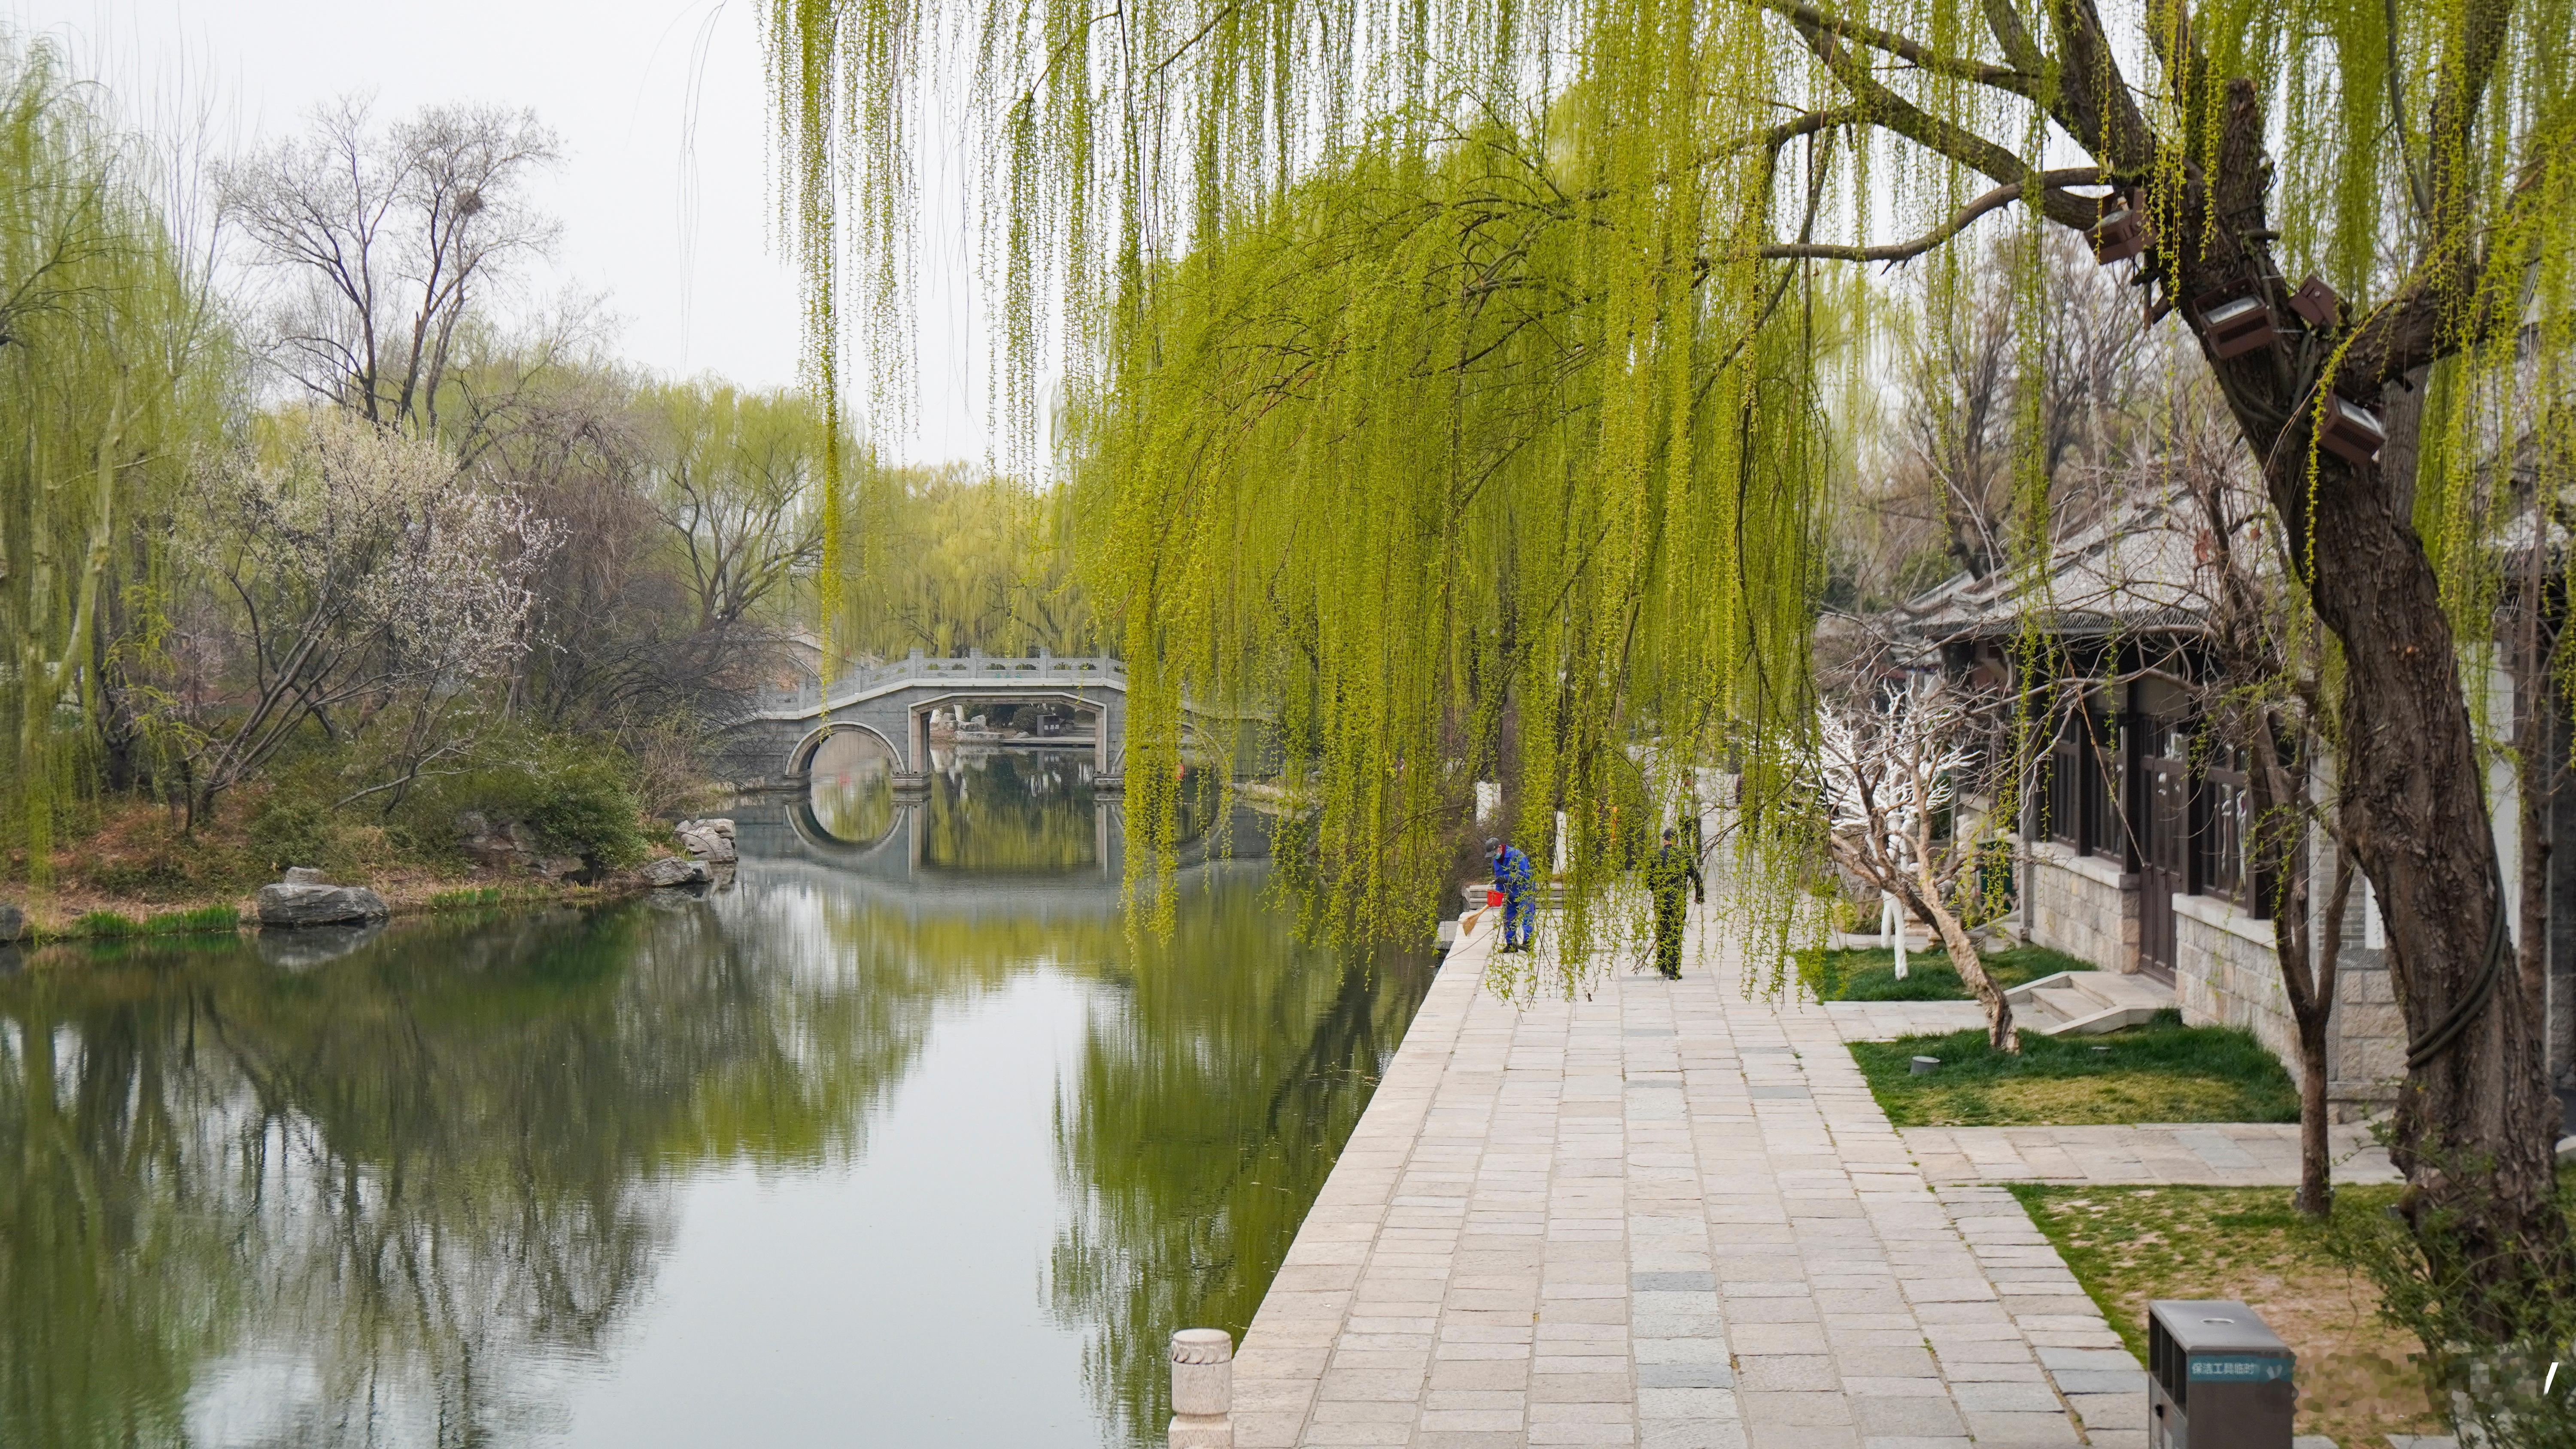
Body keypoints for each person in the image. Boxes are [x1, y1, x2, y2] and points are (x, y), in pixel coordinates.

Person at [1643, 825, 1705, 979]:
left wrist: (1657, 891)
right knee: (1675, 934)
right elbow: (1697, 877)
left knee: (1663, 932)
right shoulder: (1683, 857)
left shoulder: (1656, 857)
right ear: (1676, 841)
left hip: (1661, 902)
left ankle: (1663, 966)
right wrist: (1700, 896)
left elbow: (1648, 881)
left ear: (1664, 841)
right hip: (1678, 902)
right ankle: (1673, 970)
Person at [1487, 835, 1535, 953]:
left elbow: (1526, 874)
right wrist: (1498, 893)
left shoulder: (1516, 855)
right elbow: (1500, 880)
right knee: (1508, 917)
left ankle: (1528, 942)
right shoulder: (1496, 861)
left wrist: (1507, 878)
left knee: (1527, 915)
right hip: (1511, 892)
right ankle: (1511, 944)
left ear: (1500, 848)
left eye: (1495, 853)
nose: (1494, 857)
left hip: (1525, 890)